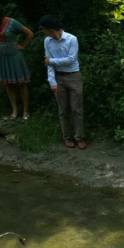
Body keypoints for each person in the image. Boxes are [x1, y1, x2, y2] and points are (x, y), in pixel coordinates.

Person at [40, 15, 87, 149]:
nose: (44, 33)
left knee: (76, 109)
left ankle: (80, 137)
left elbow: (71, 59)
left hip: (74, 76)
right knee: (63, 110)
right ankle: (67, 137)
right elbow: (48, 64)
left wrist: (52, 61)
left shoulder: (72, 39)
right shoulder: (47, 41)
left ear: (51, 29)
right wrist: (52, 82)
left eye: (44, 30)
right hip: (58, 77)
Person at [0, 14, 33, 120]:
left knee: (21, 83)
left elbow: (29, 34)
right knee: (8, 84)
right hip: (2, 58)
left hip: (14, 56)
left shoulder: (12, 22)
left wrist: (23, 45)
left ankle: (25, 111)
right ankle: (14, 111)